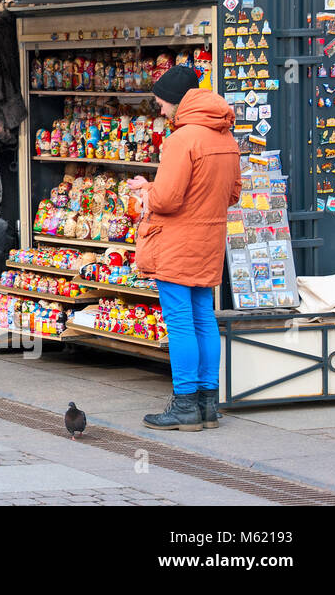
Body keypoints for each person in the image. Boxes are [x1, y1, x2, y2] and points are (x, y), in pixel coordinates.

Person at [125, 65, 242, 433]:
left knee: (179, 323)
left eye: (161, 103)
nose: (160, 111)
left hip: (177, 243)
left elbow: (169, 198)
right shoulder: (225, 137)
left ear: (176, 102)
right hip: (209, 242)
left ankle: (185, 404)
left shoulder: (182, 140)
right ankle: (208, 405)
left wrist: (145, 190)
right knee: (204, 319)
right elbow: (233, 194)